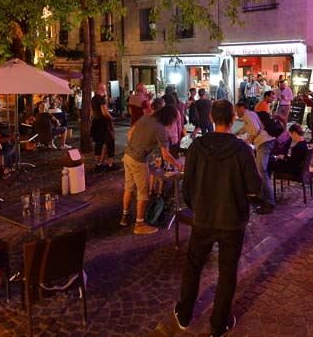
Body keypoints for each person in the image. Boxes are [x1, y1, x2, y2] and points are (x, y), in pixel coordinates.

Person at [174, 100, 262, 337]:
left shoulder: (196, 147)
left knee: (193, 265)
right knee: (227, 271)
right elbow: (255, 186)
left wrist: (198, 206)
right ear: (233, 120)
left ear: (212, 118)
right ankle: (218, 324)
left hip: (203, 218)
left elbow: (187, 187)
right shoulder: (242, 149)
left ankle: (184, 313)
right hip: (232, 220)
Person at [120, 105, 182, 234]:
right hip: (138, 160)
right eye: (175, 120)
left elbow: (130, 133)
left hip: (127, 156)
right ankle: (139, 224)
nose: (175, 123)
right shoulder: (161, 130)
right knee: (143, 194)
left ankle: (124, 217)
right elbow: (166, 155)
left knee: (129, 188)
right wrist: (180, 166)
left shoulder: (146, 117)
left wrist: (139, 144)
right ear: (169, 118)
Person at [234, 100, 275, 213]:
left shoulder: (247, 115)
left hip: (264, 143)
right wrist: (234, 134)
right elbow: (246, 129)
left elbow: (256, 130)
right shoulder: (249, 115)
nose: (236, 112)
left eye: (236, 109)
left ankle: (269, 202)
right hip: (265, 142)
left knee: (262, 172)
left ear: (242, 108)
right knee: (259, 171)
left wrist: (248, 141)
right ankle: (261, 196)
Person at [91, 83, 117, 170]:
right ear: (102, 89)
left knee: (99, 143)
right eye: (105, 89)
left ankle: (98, 163)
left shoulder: (93, 99)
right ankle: (110, 163)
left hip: (96, 122)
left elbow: (92, 112)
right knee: (110, 142)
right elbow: (104, 112)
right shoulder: (101, 99)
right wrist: (111, 118)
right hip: (104, 123)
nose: (106, 90)